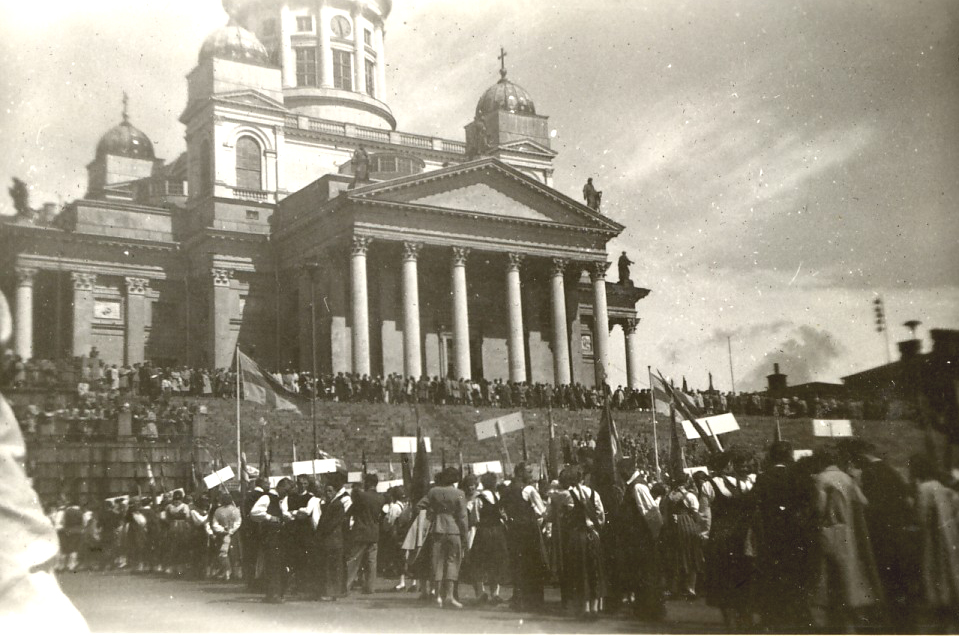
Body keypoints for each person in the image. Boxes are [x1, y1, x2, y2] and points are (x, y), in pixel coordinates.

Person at [810, 448, 883, 632]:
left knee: (826, 580)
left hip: (829, 531)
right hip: (849, 532)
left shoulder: (821, 479)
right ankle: (853, 623)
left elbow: (819, 508)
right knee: (849, 577)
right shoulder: (848, 479)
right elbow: (864, 502)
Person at [750, 441, 816, 632]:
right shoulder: (800, 476)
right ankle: (799, 616)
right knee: (796, 575)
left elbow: (754, 502)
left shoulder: (763, 478)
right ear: (789, 456)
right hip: (796, 533)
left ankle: (771, 617)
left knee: (772, 575)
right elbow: (810, 503)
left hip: (771, 535)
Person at [910, 453, 959, 633]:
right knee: (949, 570)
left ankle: (941, 615)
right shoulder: (940, 486)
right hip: (948, 533)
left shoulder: (924, 488)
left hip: (933, 537)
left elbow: (921, 517)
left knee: (935, 571)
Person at [555, 466, 607, 617]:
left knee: (581, 570)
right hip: (592, 534)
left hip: (577, 537)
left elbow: (561, 513)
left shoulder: (566, 495)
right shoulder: (593, 493)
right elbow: (601, 516)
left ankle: (584, 608)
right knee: (595, 569)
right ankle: (595, 607)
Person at [618, 463, 665, 620]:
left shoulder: (638, 487)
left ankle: (650, 609)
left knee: (646, 574)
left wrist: (656, 536)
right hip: (638, 538)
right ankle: (644, 608)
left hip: (643, 539)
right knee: (641, 574)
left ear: (626, 470)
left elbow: (651, 513)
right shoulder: (633, 485)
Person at [500, 462, 548, 611]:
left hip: (514, 531)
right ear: (520, 472)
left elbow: (501, 509)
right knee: (533, 564)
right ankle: (534, 601)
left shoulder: (507, 489)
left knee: (518, 564)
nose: (531, 475)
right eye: (528, 472)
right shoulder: (529, 489)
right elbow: (542, 511)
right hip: (529, 531)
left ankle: (519, 599)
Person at [250, 477, 295, 603]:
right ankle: (272, 594)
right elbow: (254, 513)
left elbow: (283, 512)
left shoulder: (281, 500)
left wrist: (288, 517)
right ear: (279, 487)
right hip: (270, 536)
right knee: (272, 565)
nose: (286, 494)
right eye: (285, 491)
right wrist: (269, 518)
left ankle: (277, 593)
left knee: (279, 565)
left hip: (280, 536)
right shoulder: (267, 497)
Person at [469, 472, 509, 605]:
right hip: (497, 532)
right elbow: (503, 515)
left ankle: (481, 592)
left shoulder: (479, 499)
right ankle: (495, 593)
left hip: (484, 532)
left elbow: (475, 518)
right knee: (496, 561)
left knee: (480, 561)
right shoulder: (497, 497)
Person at [347, 473, 386, 595]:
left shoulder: (362, 496)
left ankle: (346, 585)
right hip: (374, 532)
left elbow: (352, 510)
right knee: (371, 562)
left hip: (360, 531)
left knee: (354, 560)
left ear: (367, 483)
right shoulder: (381, 498)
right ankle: (370, 587)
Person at [316, 472, 351, 601]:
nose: (328, 493)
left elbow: (331, 524)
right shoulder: (329, 505)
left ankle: (332, 593)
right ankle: (331, 592)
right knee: (329, 567)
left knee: (333, 568)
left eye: (330, 491)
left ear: (335, 492)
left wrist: (320, 533)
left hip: (333, 541)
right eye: (326, 491)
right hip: (330, 541)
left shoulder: (337, 505)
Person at [241, 477, 268, 590]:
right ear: (262, 484)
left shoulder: (248, 496)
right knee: (260, 556)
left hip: (248, 530)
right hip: (259, 529)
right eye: (267, 483)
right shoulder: (263, 496)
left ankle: (250, 582)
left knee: (250, 557)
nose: (269, 485)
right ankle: (258, 582)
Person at [210, 491, 242, 581]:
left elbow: (215, 524)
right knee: (228, 553)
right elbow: (238, 523)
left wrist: (223, 530)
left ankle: (229, 572)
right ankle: (229, 572)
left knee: (227, 553)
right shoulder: (234, 510)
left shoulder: (220, 510)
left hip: (226, 533)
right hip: (230, 534)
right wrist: (229, 531)